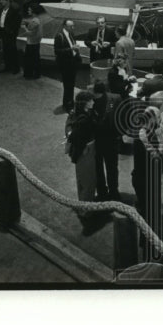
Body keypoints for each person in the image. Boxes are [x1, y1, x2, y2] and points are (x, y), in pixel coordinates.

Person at [133, 94, 163, 239]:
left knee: (152, 208)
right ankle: (146, 240)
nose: (160, 120)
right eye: (158, 117)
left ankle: (152, 233)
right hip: (144, 180)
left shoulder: (148, 131)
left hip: (150, 177)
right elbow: (156, 156)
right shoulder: (143, 137)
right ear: (152, 119)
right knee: (147, 213)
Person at [66, 90, 99, 234]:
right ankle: (86, 210)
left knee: (81, 179)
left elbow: (70, 132)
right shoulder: (84, 119)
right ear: (85, 103)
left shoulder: (76, 114)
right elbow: (76, 136)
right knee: (89, 181)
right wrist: (85, 147)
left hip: (80, 153)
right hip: (87, 151)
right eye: (91, 100)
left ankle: (82, 205)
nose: (93, 102)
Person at [91, 80, 122, 201]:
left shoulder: (116, 99)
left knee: (110, 168)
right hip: (98, 141)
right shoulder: (89, 100)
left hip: (109, 140)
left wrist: (118, 135)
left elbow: (121, 117)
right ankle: (104, 192)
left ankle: (112, 191)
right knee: (100, 168)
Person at [53, 19, 82, 110]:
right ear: (65, 26)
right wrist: (71, 49)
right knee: (67, 85)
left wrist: (76, 50)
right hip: (65, 64)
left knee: (71, 84)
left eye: (73, 25)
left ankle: (70, 102)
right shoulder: (59, 36)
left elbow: (72, 45)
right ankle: (67, 104)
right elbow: (57, 51)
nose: (73, 27)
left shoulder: (71, 34)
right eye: (70, 26)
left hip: (73, 62)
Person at [0, 0, 21, 74]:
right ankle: (7, 66)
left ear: (7, 0)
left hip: (10, 33)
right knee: (5, 50)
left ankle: (16, 68)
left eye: (2, 0)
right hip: (3, 32)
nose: (0, 1)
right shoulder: (1, 9)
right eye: (0, 0)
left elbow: (17, 22)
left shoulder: (14, 9)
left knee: (13, 50)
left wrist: (13, 31)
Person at [22, 4, 43, 79]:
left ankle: (30, 74)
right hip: (36, 41)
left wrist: (24, 27)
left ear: (33, 11)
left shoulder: (34, 21)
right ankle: (36, 74)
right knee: (36, 58)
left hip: (32, 42)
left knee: (30, 59)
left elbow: (30, 33)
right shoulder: (37, 19)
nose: (28, 11)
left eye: (29, 10)